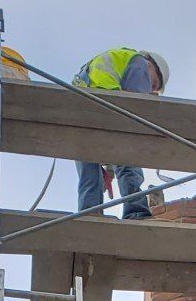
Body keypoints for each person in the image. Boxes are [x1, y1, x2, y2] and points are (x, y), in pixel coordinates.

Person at [72, 46, 170, 217]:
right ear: (151, 65)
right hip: (108, 107)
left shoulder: (110, 61)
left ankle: (89, 215)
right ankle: (137, 213)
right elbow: (135, 107)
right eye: (153, 84)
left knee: (90, 174)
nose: (150, 89)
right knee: (128, 160)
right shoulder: (140, 63)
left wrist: (108, 169)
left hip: (79, 116)